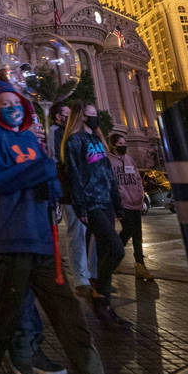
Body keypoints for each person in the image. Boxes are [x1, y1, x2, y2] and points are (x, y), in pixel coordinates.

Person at [0, 80, 106, 374]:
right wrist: (38, 170)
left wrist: (53, 179)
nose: (12, 108)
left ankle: (94, 373)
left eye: (15, 102)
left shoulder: (34, 140)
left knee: (69, 315)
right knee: (1, 319)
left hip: (43, 243)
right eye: (4, 104)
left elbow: (48, 186)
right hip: (12, 240)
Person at [60, 101, 126, 326]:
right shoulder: (74, 141)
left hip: (106, 201)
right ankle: (97, 287)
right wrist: (81, 207)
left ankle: (104, 304)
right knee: (117, 250)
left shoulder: (97, 140)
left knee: (109, 250)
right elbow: (74, 175)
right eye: (91, 115)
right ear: (82, 117)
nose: (95, 118)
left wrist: (117, 202)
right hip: (91, 203)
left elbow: (108, 173)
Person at [48, 103, 90, 291]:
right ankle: (80, 277)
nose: (68, 117)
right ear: (58, 116)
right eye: (65, 114)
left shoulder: (77, 134)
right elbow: (62, 160)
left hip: (83, 189)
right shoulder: (56, 133)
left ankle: (89, 273)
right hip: (69, 189)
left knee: (86, 232)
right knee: (77, 231)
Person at [106, 131, 152, 282]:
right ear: (113, 145)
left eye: (124, 144)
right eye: (120, 144)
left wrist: (140, 193)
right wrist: (119, 196)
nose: (124, 146)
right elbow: (110, 182)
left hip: (136, 202)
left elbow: (137, 178)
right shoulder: (109, 161)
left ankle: (140, 265)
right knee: (128, 229)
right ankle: (116, 255)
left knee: (137, 233)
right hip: (122, 203)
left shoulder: (130, 159)